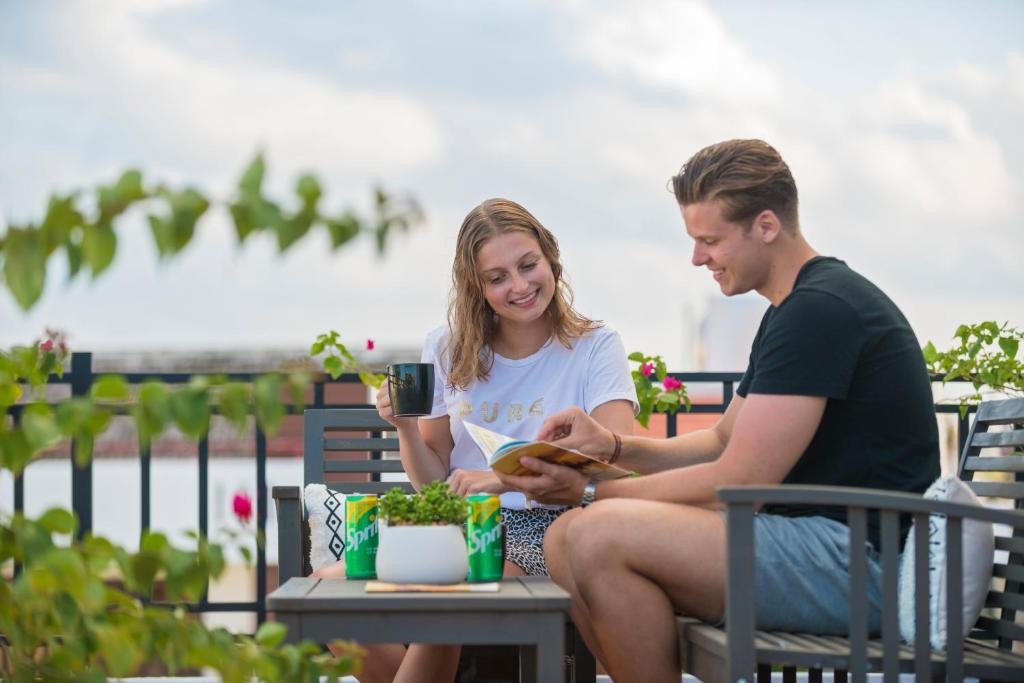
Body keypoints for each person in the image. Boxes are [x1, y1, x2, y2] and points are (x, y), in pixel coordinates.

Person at [495, 139, 940, 683]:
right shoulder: (792, 311)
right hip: (821, 546)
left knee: (594, 531)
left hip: (867, 565)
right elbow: (721, 441)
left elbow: (741, 479)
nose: (698, 257)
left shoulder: (820, 311)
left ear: (767, 226)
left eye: (710, 239)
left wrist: (589, 493)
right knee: (563, 540)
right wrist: (612, 447)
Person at [314, 197, 638, 683]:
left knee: (452, 583)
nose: (521, 286)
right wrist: (403, 425)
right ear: (477, 287)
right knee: (326, 594)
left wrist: (500, 481)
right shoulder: (447, 349)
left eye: (529, 265)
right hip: (460, 529)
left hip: (556, 531)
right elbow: (434, 490)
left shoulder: (595, 346)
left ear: (550, 258)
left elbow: (615, 463)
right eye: (498, 277)